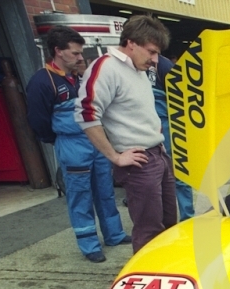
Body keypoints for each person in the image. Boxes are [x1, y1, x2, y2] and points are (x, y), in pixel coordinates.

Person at [26, 25, 129, 263]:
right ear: (58, 51)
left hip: (97, 143)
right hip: (72, 147)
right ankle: (89, 244)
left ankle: (114, 234)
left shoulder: (77, 77)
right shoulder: (42, 82)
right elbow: (38, 121)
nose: (80, 57)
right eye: (75, 53)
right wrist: (59, 141)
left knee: (105, 191)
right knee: (80, 197)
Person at [75, 15, 177, 253]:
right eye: (151, 52)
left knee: (170, 224)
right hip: (138, 160)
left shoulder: (139, 69)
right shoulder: (106, 67)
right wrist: (115, 157)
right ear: (131, 43)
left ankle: (169, 274)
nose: (155, 60)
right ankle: (148, 280)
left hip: (158, 154)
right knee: (149, 229)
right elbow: (86, 114)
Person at [148, 55, 194, 221]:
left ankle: (187, 218)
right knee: (153, 177)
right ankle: (163, 221)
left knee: (178, 173)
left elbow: (182, 97)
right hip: (145, 128)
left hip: (169, 126)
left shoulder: (164, 66)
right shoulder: (131, 67)